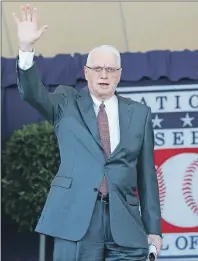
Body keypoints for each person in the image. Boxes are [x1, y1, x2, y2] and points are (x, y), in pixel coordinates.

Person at [13, 4, 163, 261]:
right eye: (97, 69)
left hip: (126, 225)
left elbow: (147, 176)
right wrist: (26, 49)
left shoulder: (139, 113)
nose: (103, 75)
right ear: (86, 73)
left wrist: (154, 230)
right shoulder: (65, 101)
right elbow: (31, 93)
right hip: (77, 220)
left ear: (119, 75)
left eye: (110, 70)